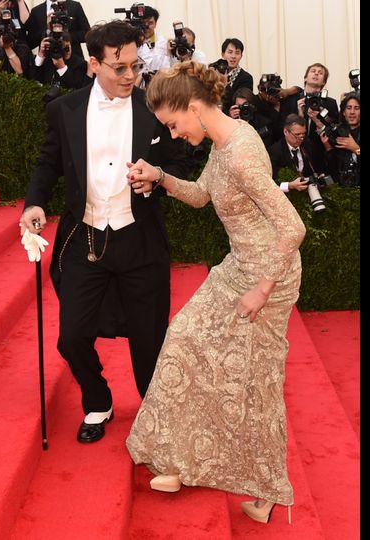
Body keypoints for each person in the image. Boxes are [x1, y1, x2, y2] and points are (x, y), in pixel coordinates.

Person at [124, 60, 305, 525]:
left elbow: (293, 227)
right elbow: (204, 194)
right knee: (185, 338)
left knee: (255, 380)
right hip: (239, 265)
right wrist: (160, 177)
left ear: (193, 107)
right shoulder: (224, 143)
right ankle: (178, 458)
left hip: (269, 275)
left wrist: (262, 289)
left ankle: (268, 491)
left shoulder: (241, 153)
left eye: (173, 124)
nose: (174, 134)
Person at [19, 20, 190, 444]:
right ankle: (98, 399)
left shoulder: (153, 108)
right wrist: (34, 202)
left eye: (135, 65)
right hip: (86, 239)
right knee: (72, 337)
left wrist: (157, 179)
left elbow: (179, 161)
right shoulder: (65, 109)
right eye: (120, 67)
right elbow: (48, 163)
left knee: (149, 340)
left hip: (140, 239)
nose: (131, 75)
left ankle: (154, 417)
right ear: (94, 64)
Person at [24, 0, 92, 62]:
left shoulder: (75, 6)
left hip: (73, 60)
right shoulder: (36, 11)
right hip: (47, 62)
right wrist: (47, 30)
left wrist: (64, 36)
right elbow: (30, 42)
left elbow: (87, 34)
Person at [268, 114, 317, 192]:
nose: (301, 138)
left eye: (303, 134)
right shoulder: (275, 151)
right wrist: (289, 185)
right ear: (285, 132)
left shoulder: (307, 145)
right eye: (297, 134)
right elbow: (270, 182)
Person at [320, 92, 360, 186]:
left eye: (356, 108)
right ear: (343, 112)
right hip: (341, 188)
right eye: (348, 108)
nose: (352, 112)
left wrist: (356, 149)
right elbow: (332, 171)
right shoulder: (335, 132)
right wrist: (328, 148)